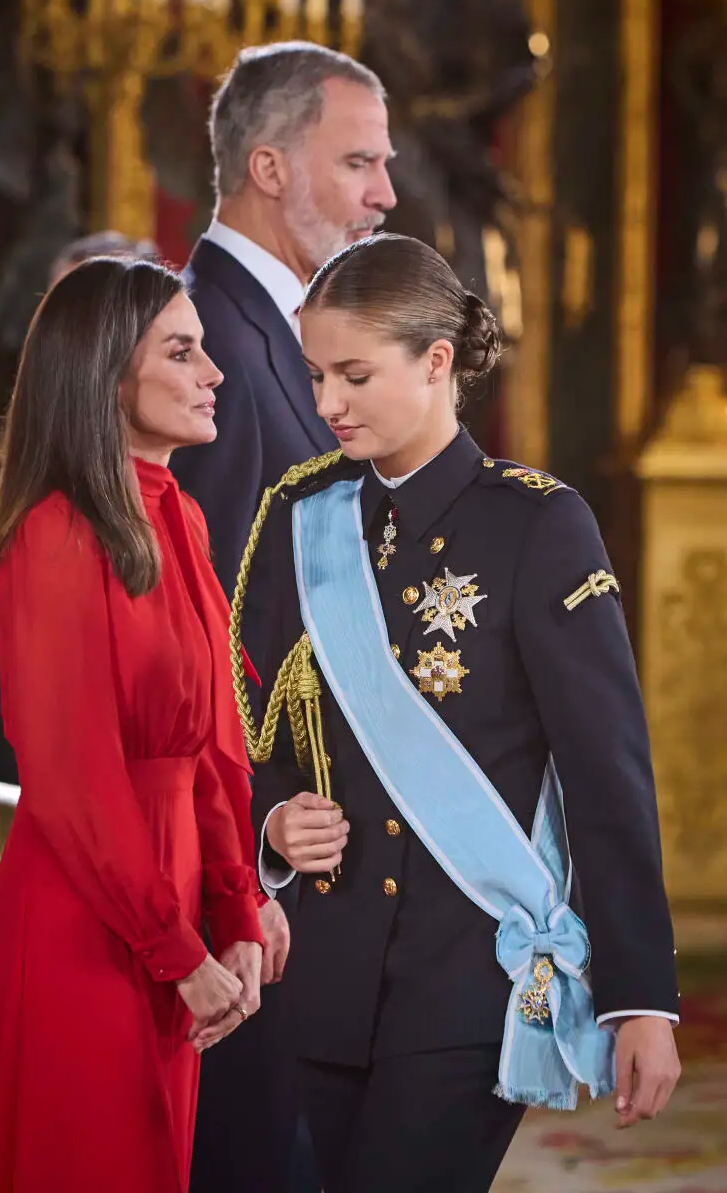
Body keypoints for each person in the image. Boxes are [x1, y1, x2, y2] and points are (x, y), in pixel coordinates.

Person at [234, 233, 682, 1193]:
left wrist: (641, 999)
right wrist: (272, 820)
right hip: (325, 972)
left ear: (436, 361)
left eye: (354, 374)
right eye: (315, 375)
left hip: (469, 979)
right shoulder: (298, 514)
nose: (325, 405)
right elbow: (247, 722)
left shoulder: (537, 523)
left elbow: (608, 770)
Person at [0, 258, 264, 1193]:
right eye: (183, 351)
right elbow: (73, 780)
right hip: (86, 919)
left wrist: (236, 913)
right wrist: (173, 946)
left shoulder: (182, 519)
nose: (213, 373)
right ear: (104, 376)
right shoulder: (53, 535)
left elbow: (211, 748)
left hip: (171, 914)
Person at [169, 41, 396, 1193]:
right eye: (356, 162)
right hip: (256, 880)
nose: (384, 195)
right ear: (266, 165)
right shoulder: (204, 344)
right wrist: (247, 858)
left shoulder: (288, 341)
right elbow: (198, 640)